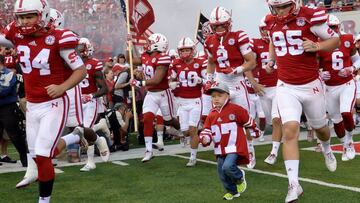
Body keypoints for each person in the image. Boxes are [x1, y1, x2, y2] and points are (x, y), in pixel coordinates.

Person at [0, 0, 98, 201]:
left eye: (29, 16)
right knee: (38, 156)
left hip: (53, 104)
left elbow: (80, 70)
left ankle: (44, 200)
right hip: (33, 105)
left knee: (44, 156)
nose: (24, 21)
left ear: (43, 15)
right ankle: (76, 135)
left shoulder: (59, 38)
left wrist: (62, 87)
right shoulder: (17, 34)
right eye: (21, 17)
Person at [265, 0, 340, 202]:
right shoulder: (271, 20)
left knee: (321, 128)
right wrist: (271, 59)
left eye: (284, 6)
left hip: (310, 84)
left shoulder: (310, 16)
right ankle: (293, 185)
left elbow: (335, 41)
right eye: (277, 7)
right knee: (289, 129)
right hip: (286, 85)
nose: (280, 11)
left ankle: (327, 148)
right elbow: (274, 40)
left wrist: (317, 45)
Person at [204, 6, 258, 169]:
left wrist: (236, 70)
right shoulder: (209, 41)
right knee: (221, 119)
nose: (219, 29)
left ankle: (250, 150)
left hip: (237, 81)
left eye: (222, 25)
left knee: (245, 119)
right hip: (221, 81)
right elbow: (211, 62)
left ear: (229, 24)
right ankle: (227, 151)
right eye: (216, 26)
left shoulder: (239, 36)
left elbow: (251, 62)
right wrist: (209, 79)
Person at [199, 82, 259, 200]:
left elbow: (248, 121)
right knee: (222, 173)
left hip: (234, 146)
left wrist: (255, 130)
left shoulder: (236, 109)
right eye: (213, 96)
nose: (216, 98)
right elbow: (207, 130)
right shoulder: (211, 114)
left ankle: (240, 176)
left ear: (227, 95)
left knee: (227, 167)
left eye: (219, 95)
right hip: (220, 148)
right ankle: (233, 192)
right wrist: (205, 138)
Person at [130, 33, 181, 162]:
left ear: (158, 45)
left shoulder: (163, 58)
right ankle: (148, 150)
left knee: (169, 120)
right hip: (151, 94)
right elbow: (129, 59)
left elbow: (157, 79)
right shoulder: (146, 56)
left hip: (164, 94)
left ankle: (183, 132)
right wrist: (128, 45)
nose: (147, 44)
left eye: (150, 42)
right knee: (147, 118)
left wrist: (140, 83)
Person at [318, 14, 360, 161]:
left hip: (346, 84)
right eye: (329, 28)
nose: (332, 30)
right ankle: (344, 144)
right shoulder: (320, 44)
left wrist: (352, 69)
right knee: (336, 120)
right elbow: (313, 67)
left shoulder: (347, 39)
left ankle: (349, 142)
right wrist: (320, 74)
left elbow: (357, 59)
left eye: (334, 27)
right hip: (330, 87)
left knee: (346, 113)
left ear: (339, 26)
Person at [168, 37, 207, 166]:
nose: (184, 52)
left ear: (193, 50)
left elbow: (209, 80)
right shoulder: (175, 63)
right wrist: (171, 84)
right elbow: (170, 79)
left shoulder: (200, 63)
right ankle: (204, 135)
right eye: (182, 50)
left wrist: (201, 80)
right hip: (182, 102)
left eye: (187, 50)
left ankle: (193, 157)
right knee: (185, 131)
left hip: (195, 100)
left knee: (192, 130)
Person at [251, 17, 282, 165]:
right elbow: (249, 62)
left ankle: (274, 152)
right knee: (270, 120)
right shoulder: (255, 44)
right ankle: (283, 140)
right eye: (263, 29)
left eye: (267, 29)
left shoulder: (280, 41)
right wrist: (254, 81)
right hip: (263, 89)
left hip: (279, 86)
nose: (265, 31)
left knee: (276, 119)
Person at [77, 37, 109, 172]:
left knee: (85, 129)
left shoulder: (94, 64)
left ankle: (90, 162)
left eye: (80, 47)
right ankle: (100, 138)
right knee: (78, 129)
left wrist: (90, 95)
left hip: (91, 101)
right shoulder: (73, 64)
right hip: (77, 101)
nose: (77, 50)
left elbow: (104, 88)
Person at [0, 54, 27, 166]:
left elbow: (3, 91)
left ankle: (25, 158)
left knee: (15, 135)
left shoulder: (9, 74)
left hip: (7, 108)